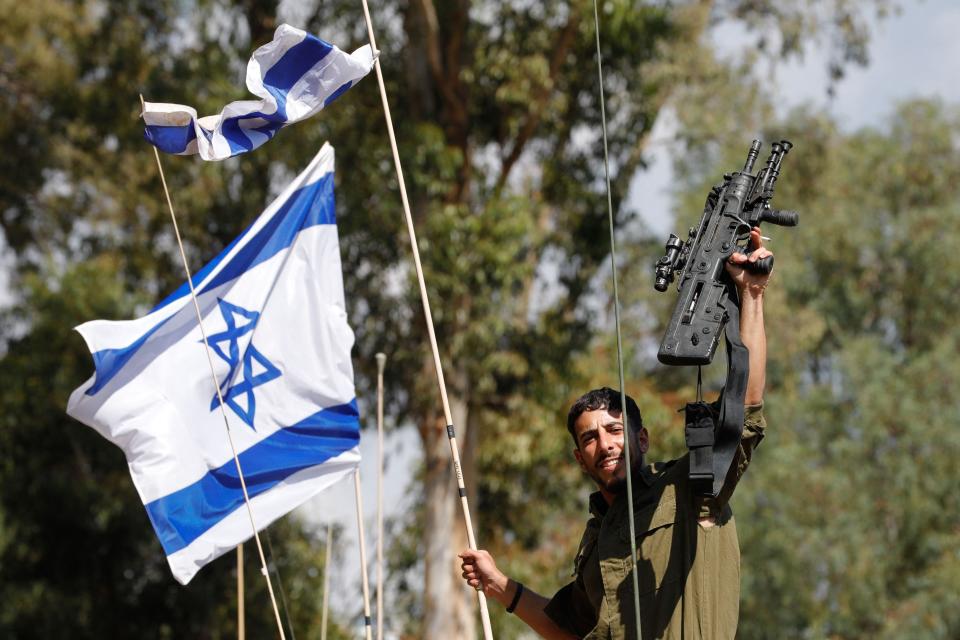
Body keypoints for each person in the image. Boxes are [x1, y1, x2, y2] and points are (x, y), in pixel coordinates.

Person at [459, 229, 773, 639]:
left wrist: (751, 296)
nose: (605, 444)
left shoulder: (689, 488)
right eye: (589, 438)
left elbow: (744, 409)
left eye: (615, 430)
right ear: (579, 458)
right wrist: (498, 585)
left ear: (641, 440)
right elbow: (568, 630)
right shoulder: (596, 540)